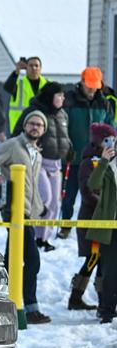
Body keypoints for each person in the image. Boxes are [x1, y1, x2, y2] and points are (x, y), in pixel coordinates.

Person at [0, 110, 50, 324]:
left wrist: (39, 207)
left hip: (27, 214)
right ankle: (30, 308)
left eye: (39, 125)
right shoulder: (13, 145)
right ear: (24, 126)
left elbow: (31, 183)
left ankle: (2, 303)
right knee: (32, 260)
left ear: (43, 130)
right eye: (31, 123)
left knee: (11, 261)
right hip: (13, 211)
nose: (35, 127)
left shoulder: (37, 154)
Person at [13, 82, 72, 251]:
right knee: (44, 198)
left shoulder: (62, 114)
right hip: (38, 162)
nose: (62, 98)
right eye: (59, 95)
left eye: (63, 95)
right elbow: (17, 134)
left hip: (56, 163)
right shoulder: (34, 112)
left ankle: (43, 238)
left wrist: (69, 148)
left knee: (54, 203)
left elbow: (64, 136)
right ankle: (30, 233)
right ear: (50, 96)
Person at [60, 67, 112, 238]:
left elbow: (111, 128)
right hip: (74, 157)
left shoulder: (104, 102)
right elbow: (62, 127)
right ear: (81, 82)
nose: (91, 89)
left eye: (95, 86)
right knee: (69, 195)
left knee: (94, 196)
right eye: (89, 85)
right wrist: (66, 147)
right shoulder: (69, 101)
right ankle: (65, 225)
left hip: (97, 159)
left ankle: (94, 226)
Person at [73, 123, 116, 311]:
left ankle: (101, 301)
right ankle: (76, 296)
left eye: (114, 139)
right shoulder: (88, 162)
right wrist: (105, 203)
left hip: (104, 221)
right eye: (107, 139)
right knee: (93, 258)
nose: (111, 143)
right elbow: (88, 190)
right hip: (91, 219)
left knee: (101, 260)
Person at [86, 128, 117, 323]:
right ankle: (106, 309)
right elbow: (93, 184)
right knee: (110, 271)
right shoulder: (105, 166)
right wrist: (104, 160)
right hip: (110, 226)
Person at [4, 57, 47, 133]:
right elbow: (8, 87)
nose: (34, 68)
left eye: (36, 66)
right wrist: (17, 71)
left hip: (41, 128)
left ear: (40, 68)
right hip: (20, 129)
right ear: (26, 68)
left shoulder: (47, 85)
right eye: (31, 65)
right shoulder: (18, 84)